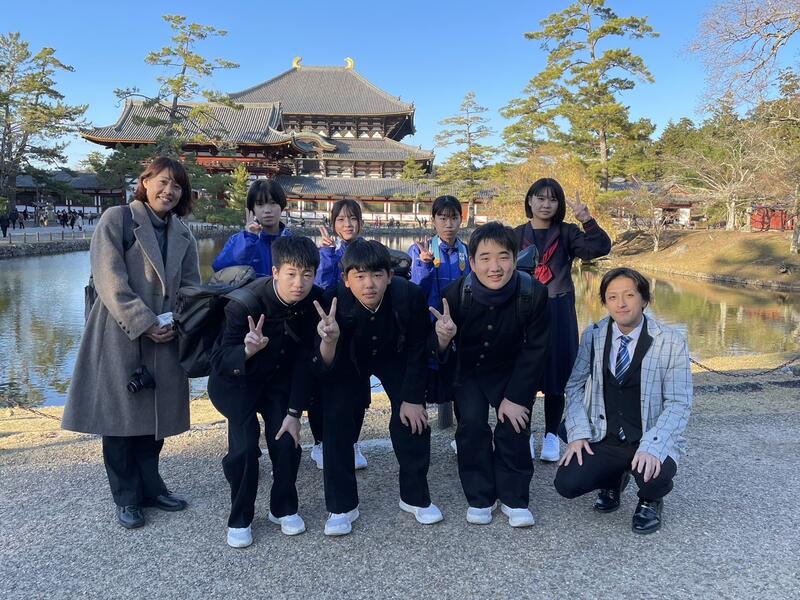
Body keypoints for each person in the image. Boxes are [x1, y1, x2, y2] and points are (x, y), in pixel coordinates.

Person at [62, 156, 201, 530]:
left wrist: (181, 321)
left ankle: (151, 488)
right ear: (146, 181)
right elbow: (109, 280)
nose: (169, 191)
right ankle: (126, 497)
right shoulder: (117, 220)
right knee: (120, 421)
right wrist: (144, 322)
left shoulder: (183, 234)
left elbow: (191, 287)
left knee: (155, 421)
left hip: (166, 336)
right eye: (163, 182)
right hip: (119, 333)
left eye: (177, 186)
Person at [315, 239, 442, 536]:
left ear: (389, 276)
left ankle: (414, 496)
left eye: (376, 275)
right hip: (349, 360)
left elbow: (417, 348)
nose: (368, 284)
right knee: (336, 418)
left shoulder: (409, 295)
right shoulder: (332, 301)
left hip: (395, 355)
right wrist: (328, 341)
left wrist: (412, 398)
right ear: (346, 279)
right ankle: (342, 505)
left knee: (413, 418)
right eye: (359, 276)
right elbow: (323, 365)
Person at [553, 268, 692, 535]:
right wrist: (578, 433)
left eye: (629, 295)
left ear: (644, 299)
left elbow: (679, 403)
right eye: (612, 297)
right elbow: (575, 385)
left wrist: (653, 446)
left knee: (654, 474)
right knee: (567, 483)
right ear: (605, 302)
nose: (621, 303)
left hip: (646, 434)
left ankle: (650, 500)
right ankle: (613, 480)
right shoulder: (593, 335)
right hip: (606, 434)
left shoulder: (670, 342)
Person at [208, 236, 323, 548]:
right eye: (291, 274)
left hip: (278, 383)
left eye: (307, 275)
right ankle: (240, 517)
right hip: (237, 384)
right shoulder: (244, 304)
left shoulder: (315, 303)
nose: (299, 283)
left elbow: (306, 362)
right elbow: (218, 360)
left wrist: (295, 412)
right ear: (275, 272)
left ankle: (283, 507)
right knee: (245, 450)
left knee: (287, 440)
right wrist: (246, 351)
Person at [432, 222, 550, 527]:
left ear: (515, 258)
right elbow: (441, 351)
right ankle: (480, 495)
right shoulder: (455, 294)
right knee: (471, 426)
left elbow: (536, 349)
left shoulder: (533, 293)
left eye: (503, 257)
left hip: (513, 370)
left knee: (514, 424)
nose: (494, 267)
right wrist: (443, 338)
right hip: (470, 371)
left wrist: (517, 397)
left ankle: (514, 496)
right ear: (472, 262)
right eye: (485, 258)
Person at [514, 178, 611, 462]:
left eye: (553, 199)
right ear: (529, 200)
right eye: (540, 198)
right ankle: (525, 434)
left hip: (558, 308)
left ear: (559, 204)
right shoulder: (516, 235)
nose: (546, 204)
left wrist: (587, 220)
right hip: (524, 309)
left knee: (557, 373)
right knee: (525, 372)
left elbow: (599, 248)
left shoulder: (567, 232)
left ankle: (552, 435)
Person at [308, 198, 368, 470]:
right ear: (333, 224)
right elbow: (320, 287)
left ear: (361, 222)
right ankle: (319, 442)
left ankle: (353, 441)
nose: (347, 224)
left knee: (359, 388)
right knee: (321, 388)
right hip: (327, 327)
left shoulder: (367, 251)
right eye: (341, 219)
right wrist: (328, 255)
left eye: (352, 218)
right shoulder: (325, 252)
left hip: (358, 330)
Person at [408, 195, 471, 438]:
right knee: (423, 383)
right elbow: (415, 293)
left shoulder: (467, 251)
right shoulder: (419, 250)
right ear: (433, 220)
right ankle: (417, 437)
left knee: (461, 384)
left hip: (460, 328)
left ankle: (463, 437)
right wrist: (423, 265)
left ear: (461, 220)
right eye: (442, 218)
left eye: (453, 218)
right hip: (428, 327)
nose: (448, 224)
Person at [212, 179, 291, 276]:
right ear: (252, 209)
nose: (267, 210)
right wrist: (249, 239)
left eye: (273, 203)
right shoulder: (240, 240)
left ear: (282, 205)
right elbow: (220, 269)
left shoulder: (293, 242)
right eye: (260, 204)